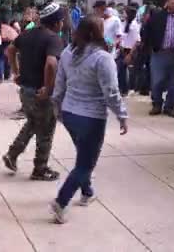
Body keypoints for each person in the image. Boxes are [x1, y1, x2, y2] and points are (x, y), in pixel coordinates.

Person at [50, 15, 128, 224]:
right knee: (86, 163)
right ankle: (61, 201)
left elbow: (60, 82)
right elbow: (111, 92)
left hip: (70, 114)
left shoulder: (68, 52)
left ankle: (87, 192)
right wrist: (122, 115)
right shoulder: (103, 58)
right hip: (91, 118)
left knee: (83, 156)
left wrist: (56, 105)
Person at [2, 3, 64, 182]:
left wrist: (16, 72)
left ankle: (12, 154)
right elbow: (51, 64)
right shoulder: (53, 39)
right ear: (57, 22)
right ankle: (40, 168)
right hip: (40, 92)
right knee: (45, 130)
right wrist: (48, 87)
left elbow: (11, 50)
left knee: (33, 122)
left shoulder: (27, 34)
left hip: (26, 90)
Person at [117, 6, 141, 96]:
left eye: (124, 13)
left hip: (129, 50)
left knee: (123, 70)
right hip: (123, 49)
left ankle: (125, 89)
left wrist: (130, 54)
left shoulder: (134, 25)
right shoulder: (124, 23)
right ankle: (123, 89)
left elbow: (137, 41)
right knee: (122, 70)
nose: (123, 14)